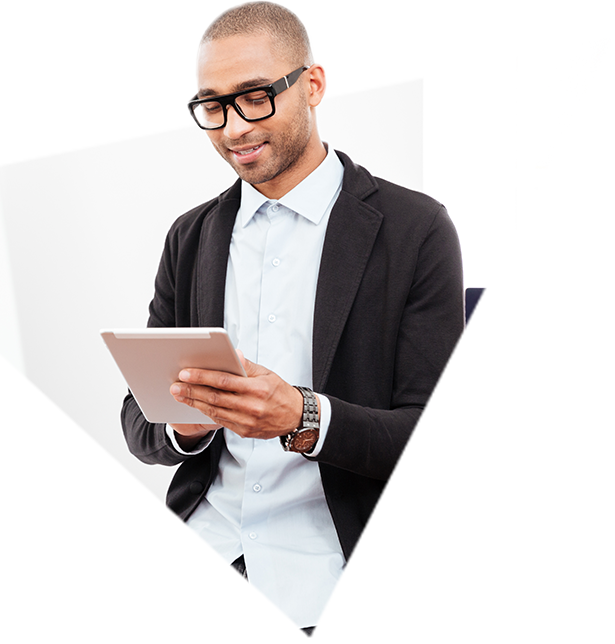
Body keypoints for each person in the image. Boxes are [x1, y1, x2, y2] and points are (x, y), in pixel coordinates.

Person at [121, 1, 465, 638]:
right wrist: (186, 426)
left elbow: (433, 441)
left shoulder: (414, 230)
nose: (233, 128)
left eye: (255, 97)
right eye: (213, 106)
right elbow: (139, 423)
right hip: (197, 575)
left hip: (338, 584)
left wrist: (304, 417)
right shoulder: (191, 238)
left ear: (313, 84)